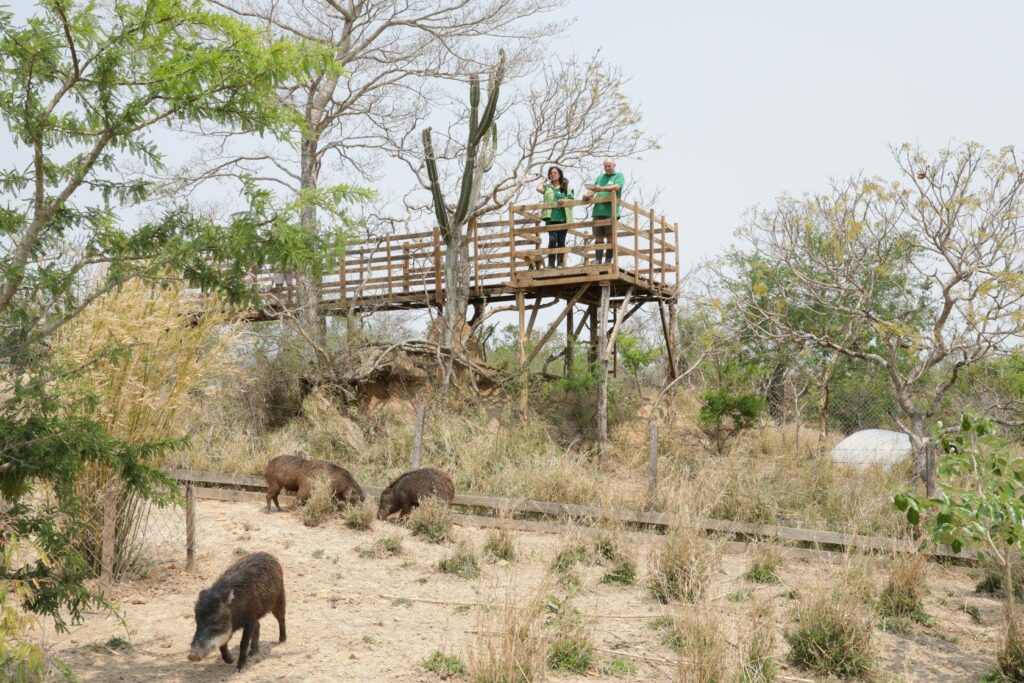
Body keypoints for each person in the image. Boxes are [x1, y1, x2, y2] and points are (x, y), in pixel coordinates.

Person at [582, 158, 625, 264]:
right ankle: (598, 260)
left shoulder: (618, 175)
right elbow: (593, 190)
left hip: (610, 212)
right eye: (605, 166)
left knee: (610, 236)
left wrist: (602, 188)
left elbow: (617, 187)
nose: (607, 168)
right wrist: (587, 195)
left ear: (614, 165)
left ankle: (608, 261)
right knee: (598, 236)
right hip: (597, 211)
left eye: (609, 166)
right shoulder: (600, 177)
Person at [535, 165, 573, 268]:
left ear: (559, 174)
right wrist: (543, 180)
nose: (552, 175)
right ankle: (551, 264)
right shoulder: (548, 187)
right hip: (550, 217)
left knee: (561, 240)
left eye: (555, 173)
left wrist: (564, 201)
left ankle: (560, 263)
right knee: (552, 240)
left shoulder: (566, 187)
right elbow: (538, 188)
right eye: (551, 173)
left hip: (563, 218)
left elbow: (571, 199)